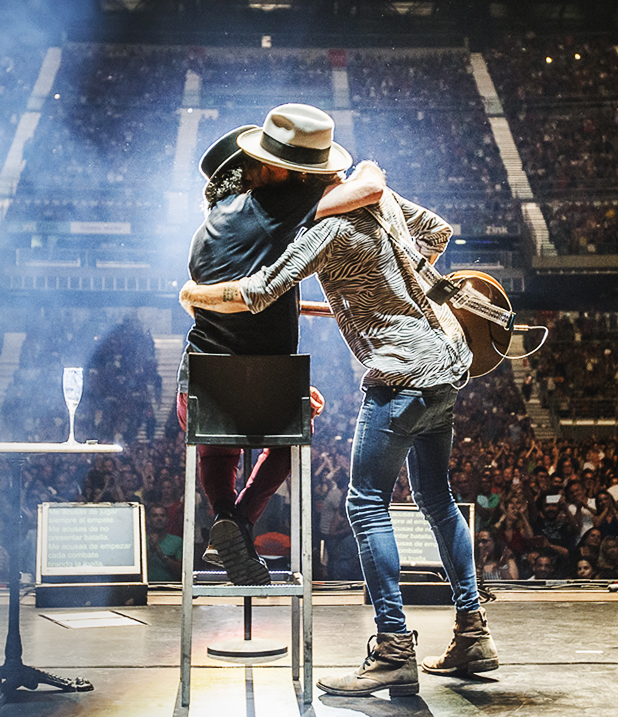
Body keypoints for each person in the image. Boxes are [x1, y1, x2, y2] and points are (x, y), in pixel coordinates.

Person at [179, 155, 498, 696]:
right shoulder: (383, 199)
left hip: (399, 375)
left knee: (365, 503)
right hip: (445, 364)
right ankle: (473, 633)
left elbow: (258, 293)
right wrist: (374, 296)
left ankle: (394, 649)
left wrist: (193, 294)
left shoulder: (321, 230)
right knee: (438, 500)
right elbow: (438, 234)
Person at [176, 104, 384, 586]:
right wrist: (362, 168)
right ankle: (239, 521)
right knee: (298, 425)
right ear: (260, 173)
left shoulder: (205, 231)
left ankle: (225, 519)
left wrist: (316, 309)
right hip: (267, 387)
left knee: (218, 446)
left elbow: (241, 297)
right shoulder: (276, 205)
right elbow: (370, 186)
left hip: (200, 384)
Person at [146, 503, 183, 583]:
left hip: (170, 589)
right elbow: (135, 571)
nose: (159, 518)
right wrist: (151, 550)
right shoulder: (140, 540)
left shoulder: (177, 541)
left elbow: (181, 571)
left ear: (167, 520)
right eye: (155, 515)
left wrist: (162, 556)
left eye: (162, 516)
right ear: (148, 520)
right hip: (146, 588)